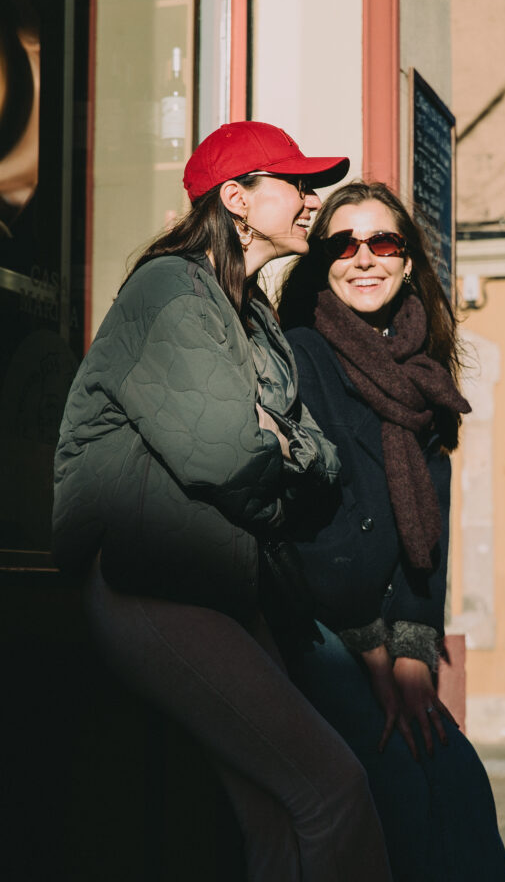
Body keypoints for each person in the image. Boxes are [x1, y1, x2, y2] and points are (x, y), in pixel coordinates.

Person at [52, 123, 393, 882]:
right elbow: (225, 454)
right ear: (236, 199)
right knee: (333, 789)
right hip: (155, 583)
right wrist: (272, 448)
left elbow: (316, 461)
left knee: (276, 815)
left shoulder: (253, 315)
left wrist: (281, 445)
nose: (311, 200)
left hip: (223, 583)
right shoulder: (171, 288)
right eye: (294, 184)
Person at [277, 180, 505, 881]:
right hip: (318, 620)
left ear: (407, 260)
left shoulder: (423, 375)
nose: (364, 259)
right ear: (321, 261)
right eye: (342, 245)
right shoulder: (300, 355)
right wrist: (369, 644)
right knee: (401, 791)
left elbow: (428, 533)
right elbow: (302, 520)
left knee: (460, 783)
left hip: (389, 624)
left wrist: (412, 646)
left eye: (382, 243)